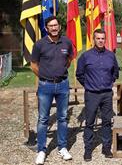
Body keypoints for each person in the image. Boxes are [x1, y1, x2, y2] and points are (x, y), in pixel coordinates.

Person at [31, 16, 73, 165]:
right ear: (46, 28)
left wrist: (59, 73)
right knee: (43, 119)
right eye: (51, 26)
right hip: (45, 86)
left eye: (56, 25)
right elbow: (34, 65)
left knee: (62, 118)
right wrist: (44, 76)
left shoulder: (67, 42)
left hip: (63, 85)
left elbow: (69, 60)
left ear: (59, 26)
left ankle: (62, 147)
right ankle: (41, 150)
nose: (54, 28)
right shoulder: (40, 44)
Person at [76, 29, 119, 161]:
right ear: (93, 40)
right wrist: (89, 85)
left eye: (102, 38)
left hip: (106, 94)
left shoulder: (111, 55)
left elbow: (115, 72)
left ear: (105, 40)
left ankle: (106, 148)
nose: (100, 41)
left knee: (106, 122)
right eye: (98, 38)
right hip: (92, 94)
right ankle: (88, 149)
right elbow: (79, 74)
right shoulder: (85, 56)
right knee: (89, 123)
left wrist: (108, 82)